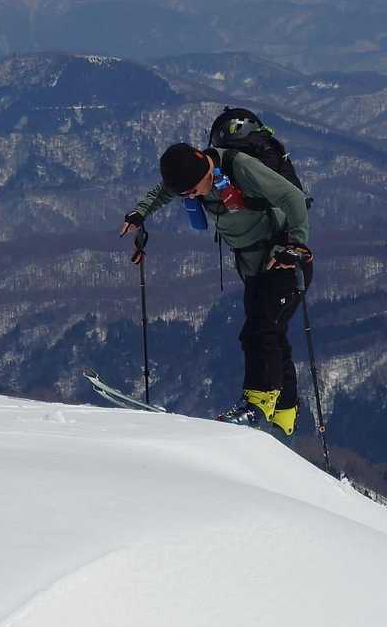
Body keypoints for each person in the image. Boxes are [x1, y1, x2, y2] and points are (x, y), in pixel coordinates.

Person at [120, 139, 312, 433]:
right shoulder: (194, 178)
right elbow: (164, 191)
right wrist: (140, 212)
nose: (191, 196)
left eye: (193, 190)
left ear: (205, 171)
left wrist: (296, 244)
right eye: (186, 193)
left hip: (283, 259)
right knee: (273, 331)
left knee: (259, 331)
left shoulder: (240, 168)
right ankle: (284, 413)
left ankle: (256, 405)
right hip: (255, 267)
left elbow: (293, 197)